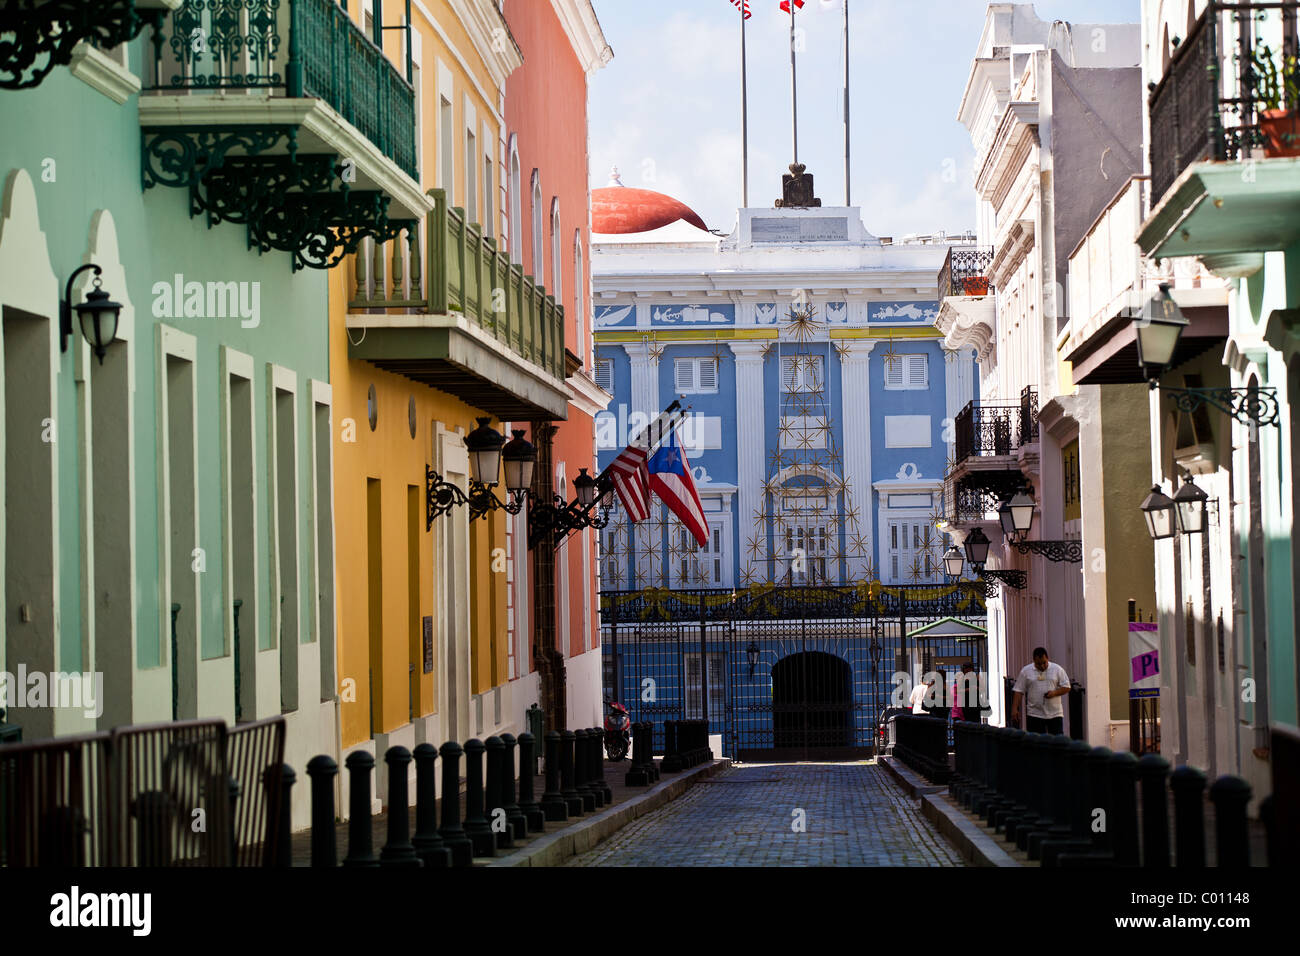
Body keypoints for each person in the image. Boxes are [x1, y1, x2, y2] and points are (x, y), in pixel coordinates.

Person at [1011, 647, 1070, 734]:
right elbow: (1019, 690)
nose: (1042, 666)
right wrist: (1014, 709)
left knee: (1056, 743)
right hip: (1034, 714)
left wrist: (1054, 693)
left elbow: (1067, 687)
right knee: (1036, 743)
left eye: (1044, 663)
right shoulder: (1026, 671)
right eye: (1038, 664)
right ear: (1034, 661)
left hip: (1055, 714)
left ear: (1047, 658)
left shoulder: (1057, 669)